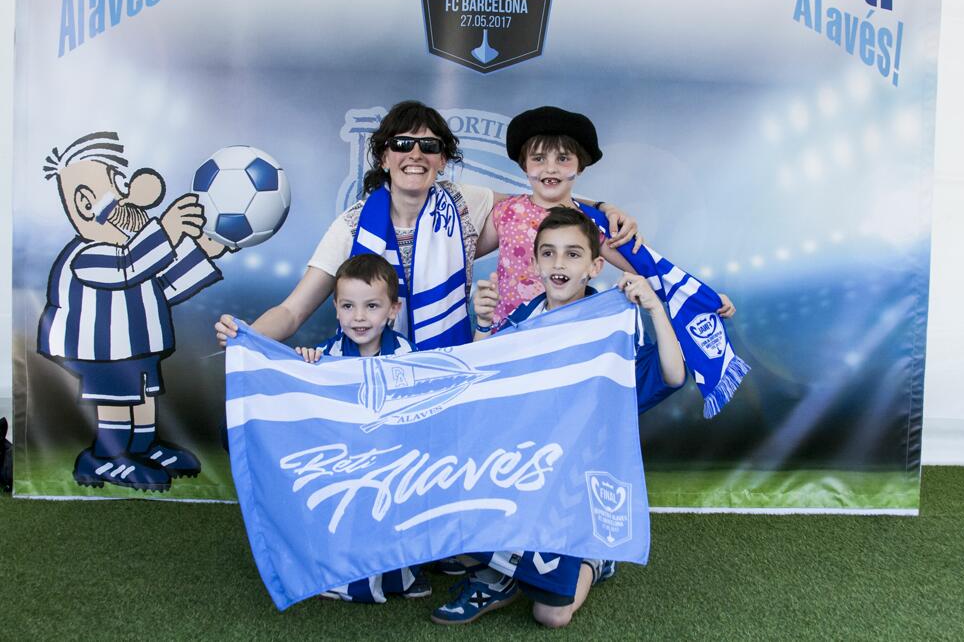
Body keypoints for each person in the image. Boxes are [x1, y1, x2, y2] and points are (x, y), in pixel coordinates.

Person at [431, 207, 686, 627]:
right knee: (447, 531)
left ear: (594, 265)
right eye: (548, 254)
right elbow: (480, 390)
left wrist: (655, 308)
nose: (558, 264)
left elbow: (673, 376)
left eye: (572, 254)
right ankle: (503, 569)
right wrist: (481, 324)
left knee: (552, 616)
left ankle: (593, 558)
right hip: (523, 469)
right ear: (534, 264)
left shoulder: (612, 322)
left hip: (573, 485)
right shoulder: (524, 320)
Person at [215, 101, 638, 351]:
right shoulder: (351, 227)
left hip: (452, 366)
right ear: (383, 156)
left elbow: (546, 202)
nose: (414, 153)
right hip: (377, 370)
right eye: (402, 143)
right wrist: (246, 338)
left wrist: (602, 205)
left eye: (429, 146)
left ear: (442, 159)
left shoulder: (466, 203)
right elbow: (292, 311)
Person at [38, 132, 229, 492]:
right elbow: (128, 267)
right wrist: (167, 231)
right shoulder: (88, 254)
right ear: (84, 202)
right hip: (103, 351)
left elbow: (163, 286)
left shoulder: (130, 253)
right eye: (117, 185)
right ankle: (106, 457)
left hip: (137, 348)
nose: (131, 197)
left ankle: (142, 448)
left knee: (142, 396)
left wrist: (202, 252)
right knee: (115, 399)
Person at [475, 105, 734, 327]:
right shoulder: (506, 212)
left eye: (563, 158)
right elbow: (463, 254)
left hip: (566, 336)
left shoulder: (590, 223)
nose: (550, 168)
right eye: (538, 158)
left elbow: (647, 268)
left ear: (580, 166)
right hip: (509, 333)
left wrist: (705, 298)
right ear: (524, 165)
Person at [292, 253, 430, 602]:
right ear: (336, 309)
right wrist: (305, 363)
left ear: (393, 309)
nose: (359, 317)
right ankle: (344, 576)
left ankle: (400, 576)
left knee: (394, 517)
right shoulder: (329, 354)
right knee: (346, 514)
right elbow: (308, 396)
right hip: (347, 459)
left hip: (393, 459)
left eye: (371, 306)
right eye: (348, 306)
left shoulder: (406, 356)